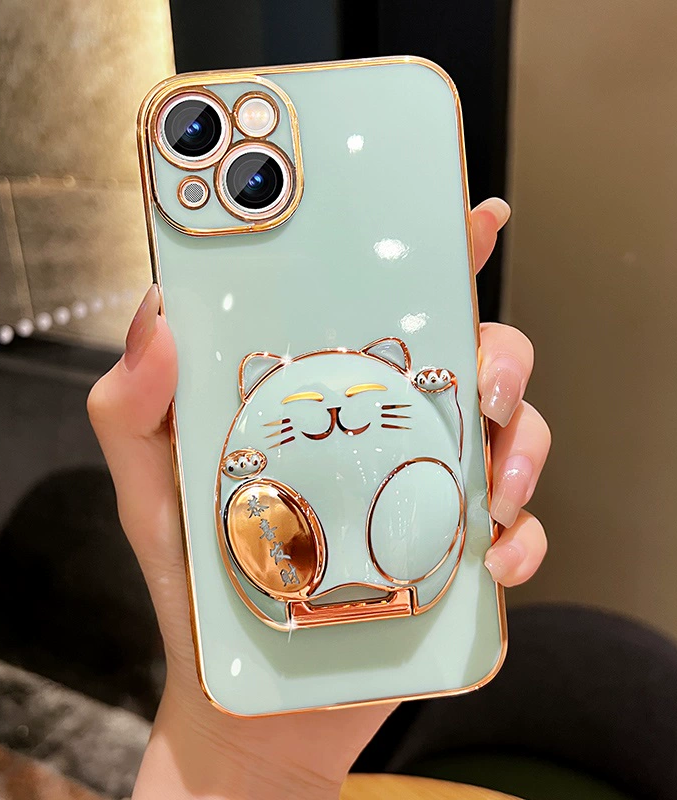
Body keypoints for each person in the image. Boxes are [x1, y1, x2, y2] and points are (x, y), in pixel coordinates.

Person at [87, 198, 551, 799]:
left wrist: (440, 404)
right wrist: (239, 754)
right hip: (295, 578)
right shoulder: (252, 429)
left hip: (394, 559)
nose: (333, 412)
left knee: (426, 483)